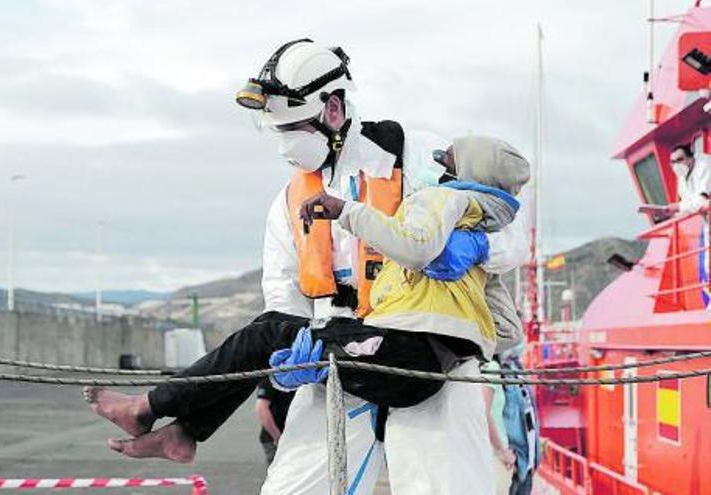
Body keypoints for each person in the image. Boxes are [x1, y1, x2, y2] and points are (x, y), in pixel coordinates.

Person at [84, 39, 528, 493]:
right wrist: (289, 364)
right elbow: (282, 299)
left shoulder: (419, 157)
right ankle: (179, 426)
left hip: (433, 353)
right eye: (276, 130)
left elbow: (507, 223)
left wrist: (475, 250)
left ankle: (167, 418)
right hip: (336, 352)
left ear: (332, 108)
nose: (284, 143)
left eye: (293, 127)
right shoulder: (288, 203)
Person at [500, 346, 541, 495]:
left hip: (528, 462)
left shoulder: (517, 367)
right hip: (513, 464)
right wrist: (503, 452)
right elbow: (488, 414)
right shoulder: (495, 370)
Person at [482, 358, 516, 495]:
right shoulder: (490, 367)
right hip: (494, 454)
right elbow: (483, 412)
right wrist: (503, 452)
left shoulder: (463, 366)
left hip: (479, 450)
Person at [652, 144, 711, 220]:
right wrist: (671, 214)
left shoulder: (705, 166)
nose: (676, 165)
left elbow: (701, 202)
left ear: (691, 158)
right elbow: (688, 205)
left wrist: (677, 207)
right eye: (673, 162)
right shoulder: (683, 174)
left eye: (679, 160)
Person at [254, 378, 295, 467]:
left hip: (290, 436)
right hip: (276, 438)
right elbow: (261, 408)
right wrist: (278, 437)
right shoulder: (271, 378)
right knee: (281, 472)